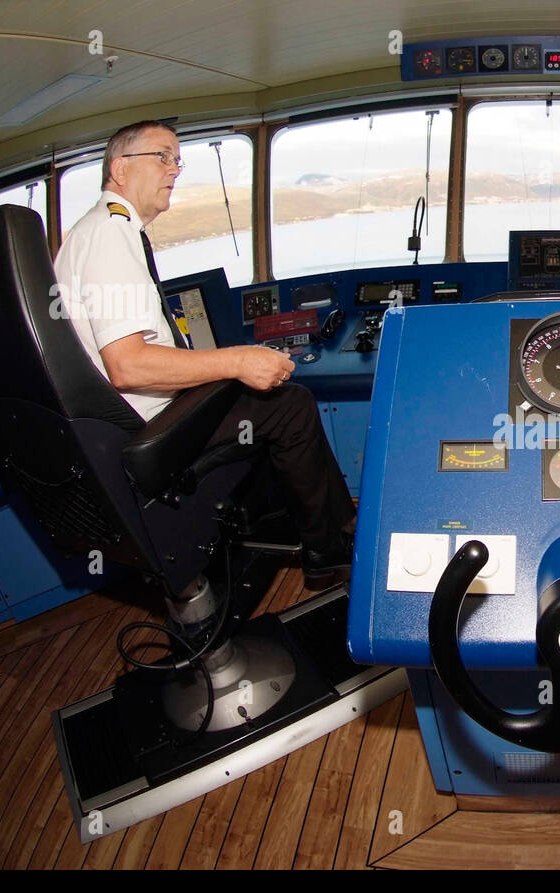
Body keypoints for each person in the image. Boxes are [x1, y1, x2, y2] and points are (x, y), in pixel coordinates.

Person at [53, 119, 355, 590]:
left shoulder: (100, 232)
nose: (174, 169)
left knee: (262, 405)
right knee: (290, 407)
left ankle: (304, 533)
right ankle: (328, 553)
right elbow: (128, 365)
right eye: (161, 156)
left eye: (178, 160)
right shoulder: (109, 234)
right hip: (148, 426)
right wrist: (238, 361)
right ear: (119, 169)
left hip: (126, 424)